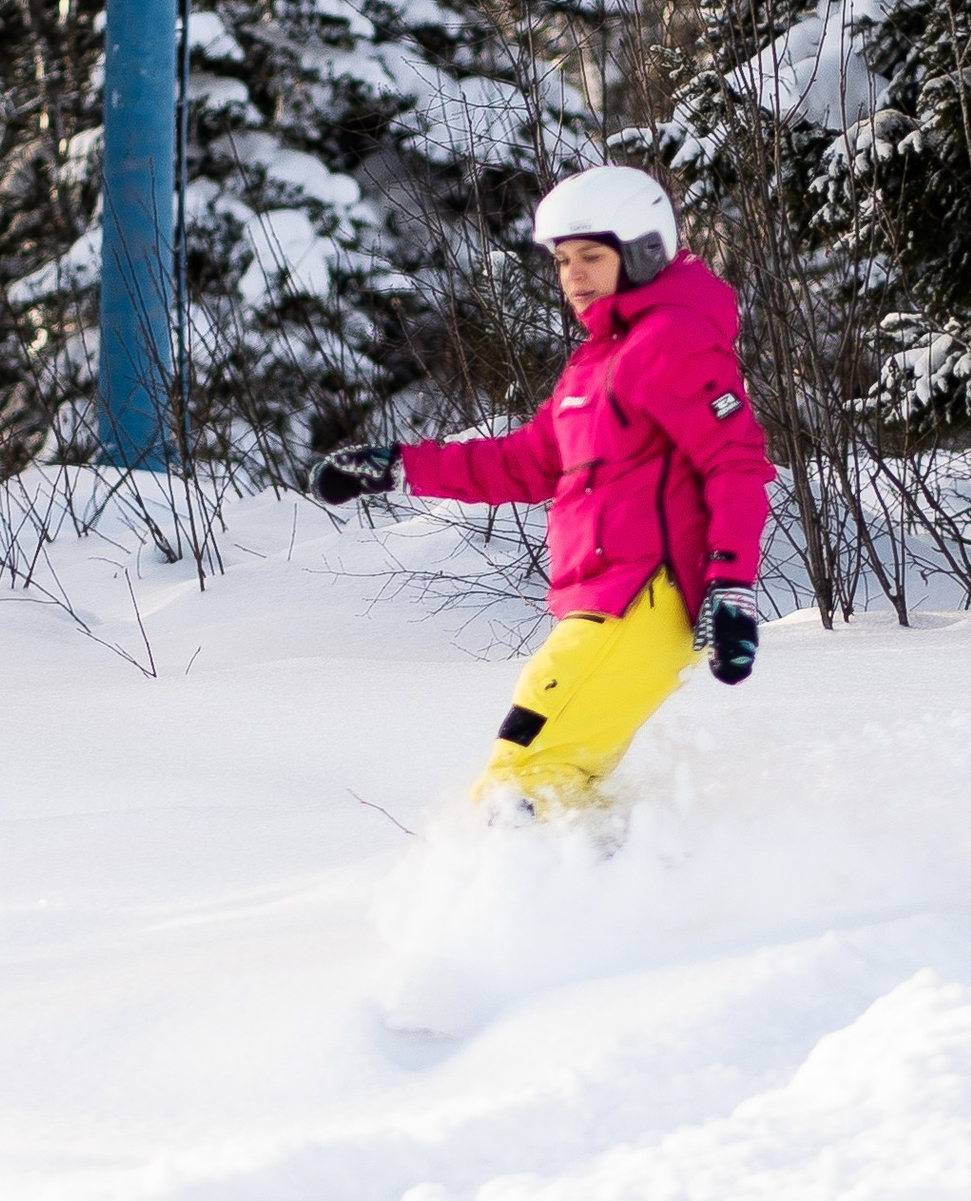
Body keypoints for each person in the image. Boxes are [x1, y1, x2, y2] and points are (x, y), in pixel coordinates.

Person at [310, 165, 774, 808]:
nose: (574, 276)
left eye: (591, 256)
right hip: (602, 603)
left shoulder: (672, 340)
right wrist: (399, 466)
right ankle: (635, 883)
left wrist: (732, 586)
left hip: (644, 597)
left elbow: (736, 463)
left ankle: (507, 894)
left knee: (521, 775)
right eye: (562, 261)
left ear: (643, 252)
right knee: (563, 782)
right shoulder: (597, 362)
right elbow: (530, 463)